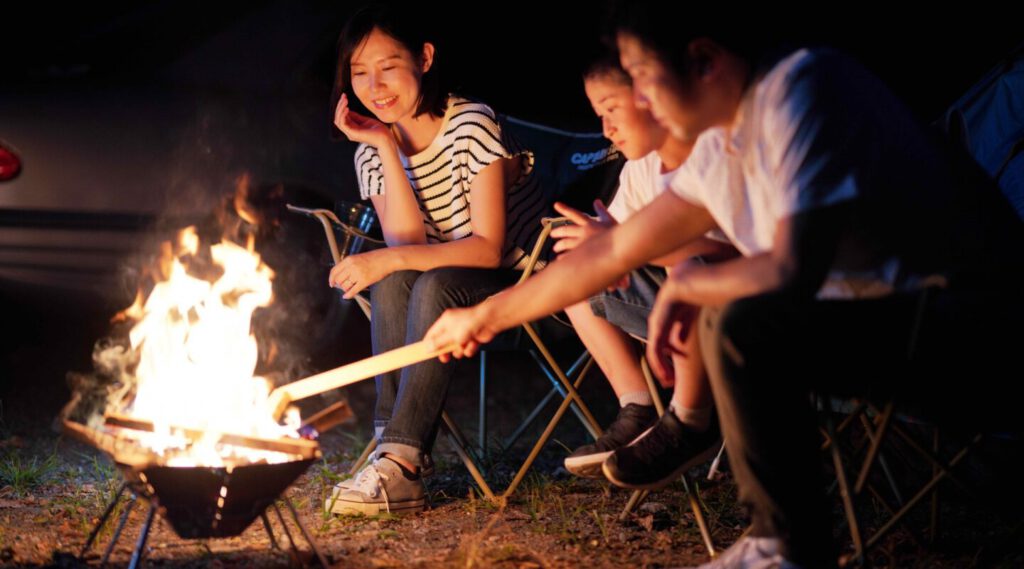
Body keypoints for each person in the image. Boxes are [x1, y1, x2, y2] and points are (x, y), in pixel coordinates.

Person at [427, 3, 1024, 566]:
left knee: (742, 317)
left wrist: (688, 290)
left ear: (706, 60)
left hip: (974, 335)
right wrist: (485, 317)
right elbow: (611, 252)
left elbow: (791, 269)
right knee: (732, 310)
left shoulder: (804, 90)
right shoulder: (720, 142)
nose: (636, 98)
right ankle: (746, 497)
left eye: (642, 77)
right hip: (881, 333)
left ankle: (782, 542)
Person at [325, 3, 546, 516]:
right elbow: (406, 247)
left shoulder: (471, 124)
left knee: (425, 283)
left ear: (424, 58)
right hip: (449, 277)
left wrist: (384, 262)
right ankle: (391, 451)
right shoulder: (370, 150)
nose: (375, 86)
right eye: (359, 73)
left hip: (522, 276)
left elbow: (488, 248)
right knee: (399, 280)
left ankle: (399, 463)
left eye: (387, 66)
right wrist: (382, 142)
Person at [557, 55, 735, 484]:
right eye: (598, 115)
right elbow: (618, 241)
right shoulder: (641, 169)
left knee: (686, 265)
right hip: (674, 312)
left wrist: (625, 247)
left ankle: (692, 419)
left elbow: (733, 254)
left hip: (738, 307)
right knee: (580, 268)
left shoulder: (718, 153)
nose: (606, 130)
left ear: (650, 96)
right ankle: (639, 407)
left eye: (611, 110)